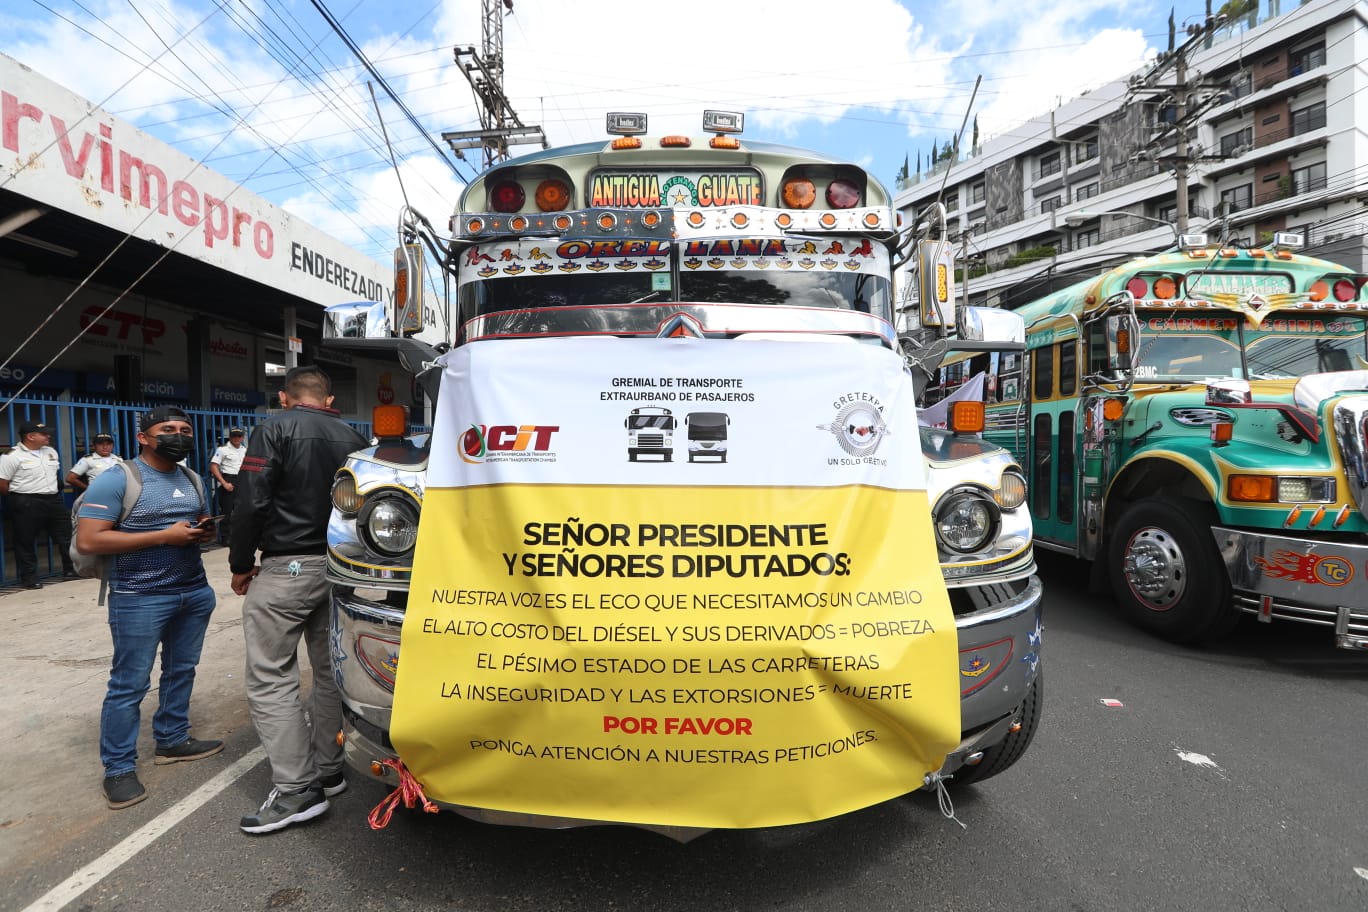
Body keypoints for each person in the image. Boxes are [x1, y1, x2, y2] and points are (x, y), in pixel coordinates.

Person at [230, 366, 367, 834]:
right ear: (329, 401)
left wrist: (240, 562)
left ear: (285, 398)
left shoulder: (274, 429)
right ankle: (329, 770)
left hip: (287, 568)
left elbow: (251, 500)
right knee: (329, 671)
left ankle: (296, 790)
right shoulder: (355, 439)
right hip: (340, 567)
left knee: (270, 675)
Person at [74, 405, 223, 809]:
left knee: (181, 669)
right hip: (138, 597)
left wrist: (202, 532)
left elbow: (194, 524)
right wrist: (163, 537)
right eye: (168, 429)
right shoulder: (118, 479)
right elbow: (89, 540)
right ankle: (118, 768)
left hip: (193, 592)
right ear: (143, 437)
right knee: (130, 684)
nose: (179, 435)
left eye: (185, 430)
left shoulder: (192, 477)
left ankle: (172, 739)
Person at [0, 420, 77, 588]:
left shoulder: (50, 451)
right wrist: (20, 498)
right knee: (25, 541)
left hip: (53, 500)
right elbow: (2, 484)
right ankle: (29, 578)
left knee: (66, 536)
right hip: (27, 501)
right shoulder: (11, 456)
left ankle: (70, 570)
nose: (48, 436)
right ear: (30, 436)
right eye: (44, 434)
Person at [209, 427, 247, 545]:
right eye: (234, 436)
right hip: (229, 479)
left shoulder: (245, 450)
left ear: (243, 437)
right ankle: (226, 538)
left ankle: (240, 535)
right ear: (230, 437)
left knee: (242, 510)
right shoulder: (222, 450)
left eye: (239, 436)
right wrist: (224, 483)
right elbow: (213, 466)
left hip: (242, 480)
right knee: (227, 510)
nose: (237, 438)